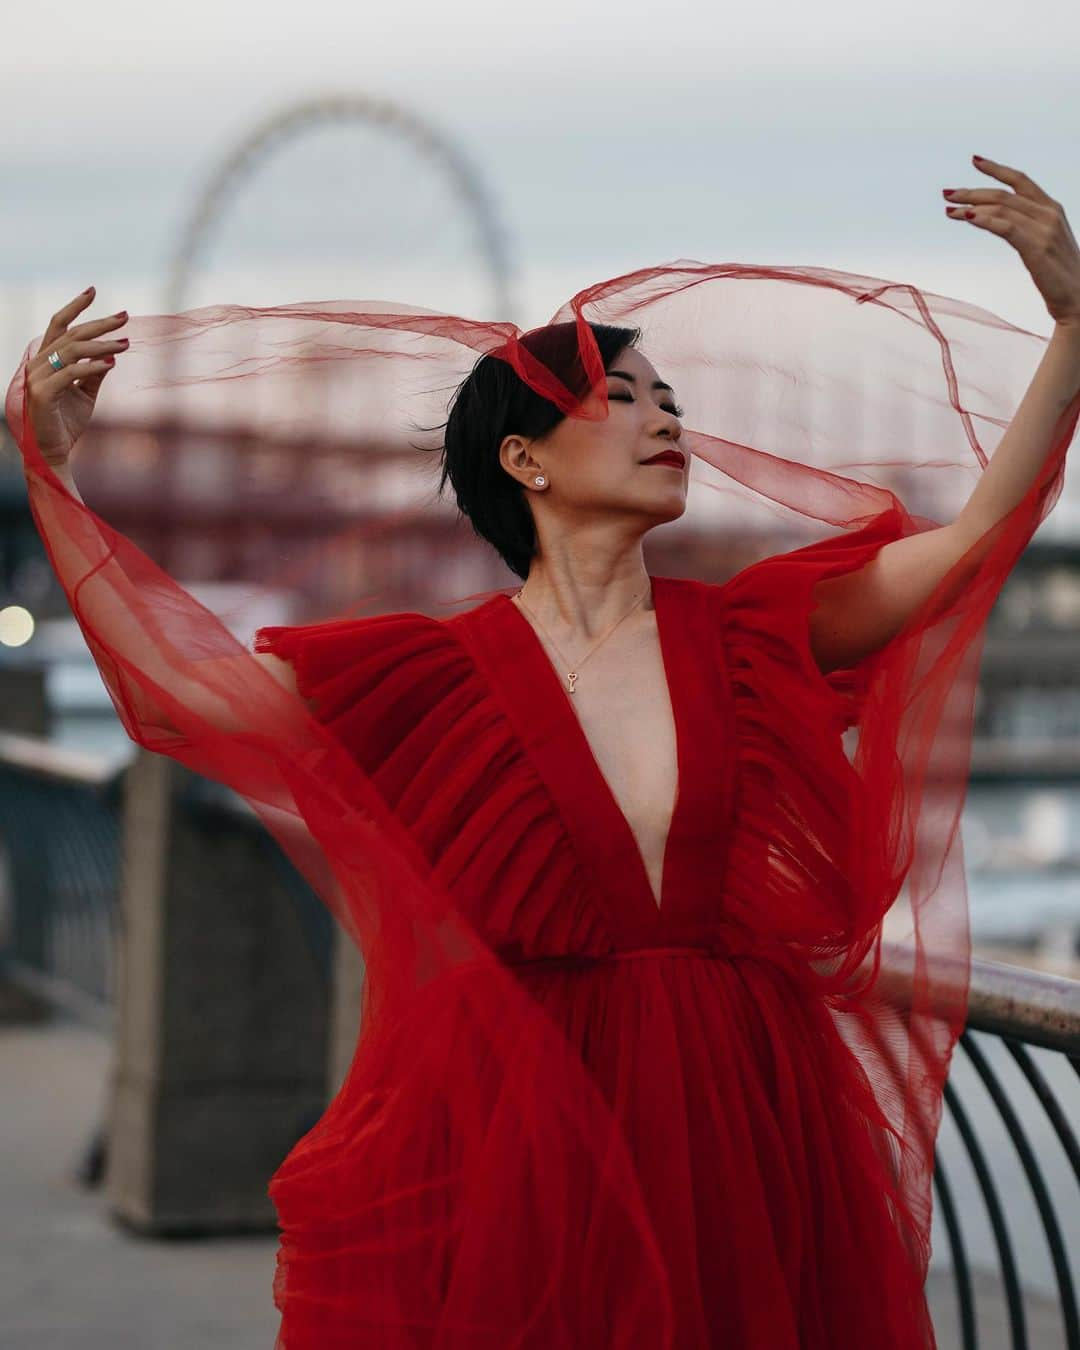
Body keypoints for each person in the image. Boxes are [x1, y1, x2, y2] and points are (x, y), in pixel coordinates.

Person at [8, 154, 1080, 1347]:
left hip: (737, 1111)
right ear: (524, 459)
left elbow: (982, 536)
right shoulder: (419, 674)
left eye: (672, 399)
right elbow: (176, 696)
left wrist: (1074, 327)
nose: (668, 418)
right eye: (624, 398)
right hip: (516, 1125)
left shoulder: (750, 636)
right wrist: (49, 476)